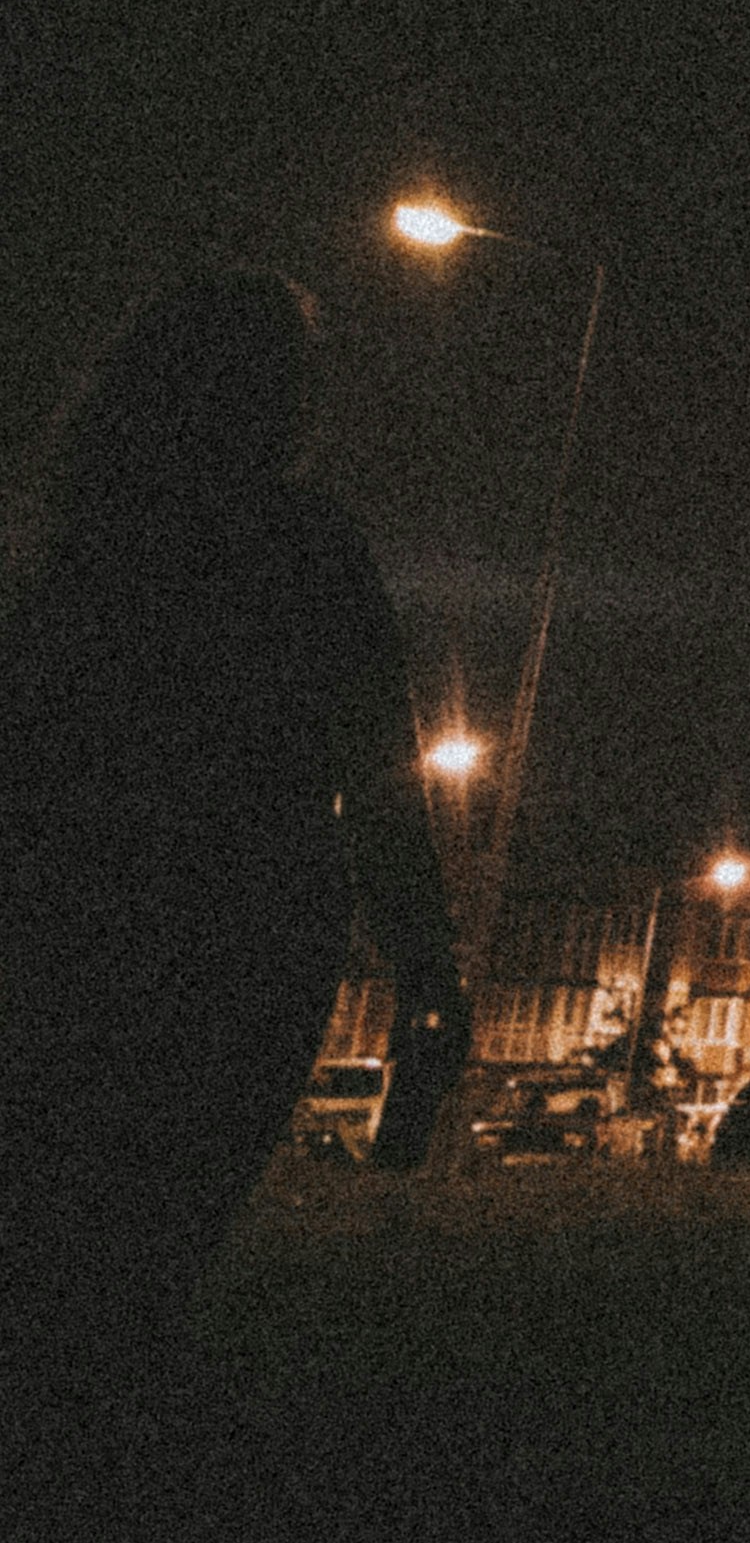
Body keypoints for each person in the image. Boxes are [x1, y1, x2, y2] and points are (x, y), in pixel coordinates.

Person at [0, 278, 460, 1427]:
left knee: (62, 1217)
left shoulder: (79, 545)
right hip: (251, 915)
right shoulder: (306, 543)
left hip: (82, 903)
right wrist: (427, 965)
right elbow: (380, 768)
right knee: (163, 1225)